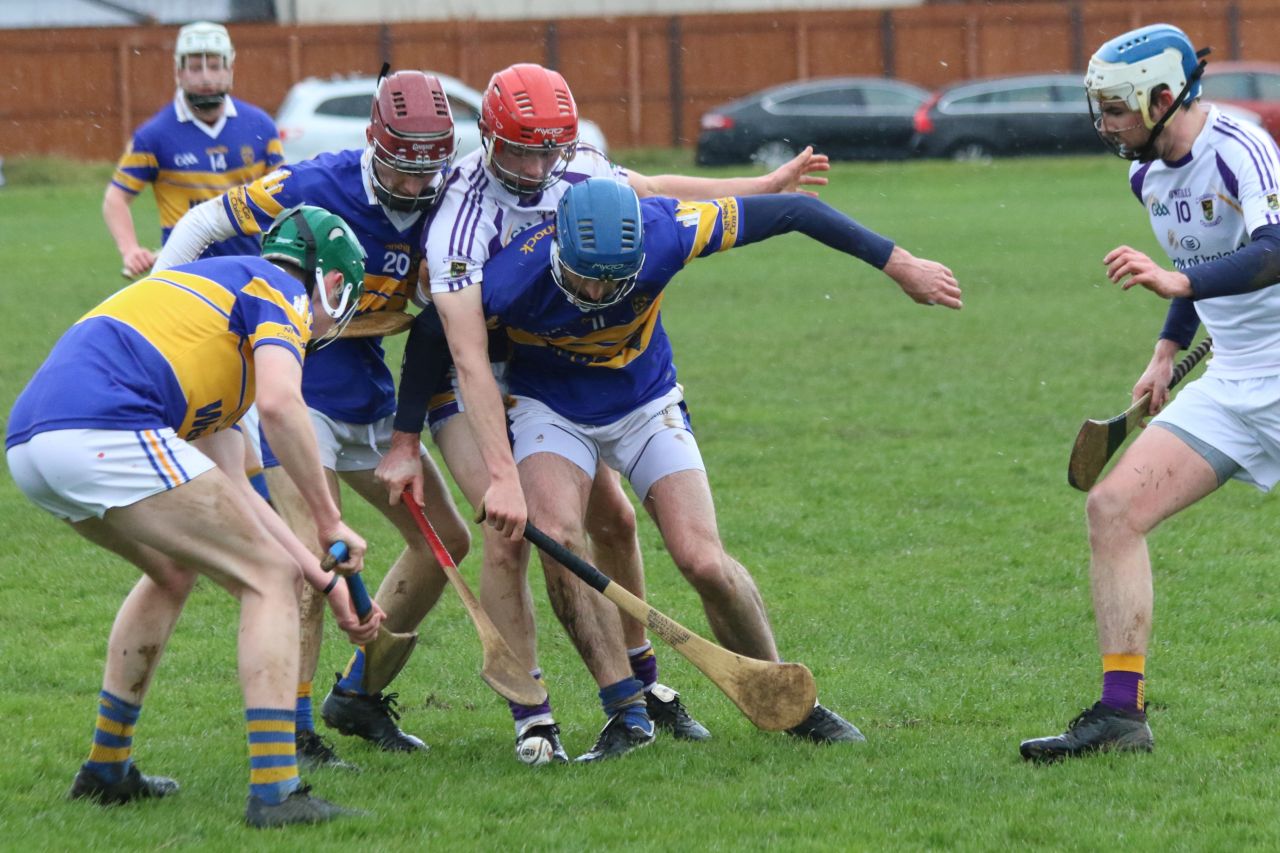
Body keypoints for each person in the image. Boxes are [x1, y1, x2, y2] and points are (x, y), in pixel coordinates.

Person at [375, 62, 835, 763]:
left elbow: (650, 193)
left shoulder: (579, 165)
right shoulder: (460, 219)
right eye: (519, 149)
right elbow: (459, 353)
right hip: (493, 372)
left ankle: (647, 687)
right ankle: (539, 716)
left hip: (571, 364)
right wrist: (473, 462)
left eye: (546, 149)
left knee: (616, 521)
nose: (535, 166)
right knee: (517, 535)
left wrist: (759, 186)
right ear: (488, 137)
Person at [409, 177, 960, 759]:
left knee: (703, 560)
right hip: (551, 411)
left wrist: (899, 264)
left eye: (612, 279)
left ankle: (782, 694)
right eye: (582, 277)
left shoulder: (668, 232)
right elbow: (428, 335)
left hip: (647, 402)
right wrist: (401, 444)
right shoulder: (510, 276)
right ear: (558, 252)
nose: (596, 291)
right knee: (560, 539)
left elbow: (796, 210)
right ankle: (626, 710)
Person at [5, 205, 387, 827]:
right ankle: (275, 793)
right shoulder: (280, 289)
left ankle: (107, 769)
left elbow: (234, 492)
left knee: (174, 570)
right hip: (105, 425)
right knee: (266, 578)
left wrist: (324, 583)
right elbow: (284, 407)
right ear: (334, 283)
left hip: (32, 444)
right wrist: (327, 521)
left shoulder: (214, 333)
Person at [152, 70, 469, 764]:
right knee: (307, 563)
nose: (416, 187)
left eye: (428, 171)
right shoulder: (312, 182)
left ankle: (357, 694)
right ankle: (293, 725)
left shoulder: (446, 195)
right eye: (402, 170)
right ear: (373, 143)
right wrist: (158, 305)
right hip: (297, 390)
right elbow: (208, 220)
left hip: (369, 389)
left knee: (445, 541)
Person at [1020, 24, 1280, 762]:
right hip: (1232, 383)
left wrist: (1182, 282)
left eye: (1117, 108)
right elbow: (1193, 260)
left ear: (1164, 99)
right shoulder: (1149, 174)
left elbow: (1275, 247)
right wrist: (1165, 351)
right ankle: (1120, 716)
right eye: (1098, 107)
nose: (1104, 124)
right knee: (1113, 508)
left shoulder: (1241, 145)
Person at [104, 22, 283, 279]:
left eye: (214, 66)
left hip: (250, 272)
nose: (206, 78)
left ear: (230, 69)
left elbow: (284, 195)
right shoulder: (154, 135)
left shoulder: (261, 127)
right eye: (196, 68)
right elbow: (115, 199)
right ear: (179, 72)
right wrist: (130, 250)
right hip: (185, 277)